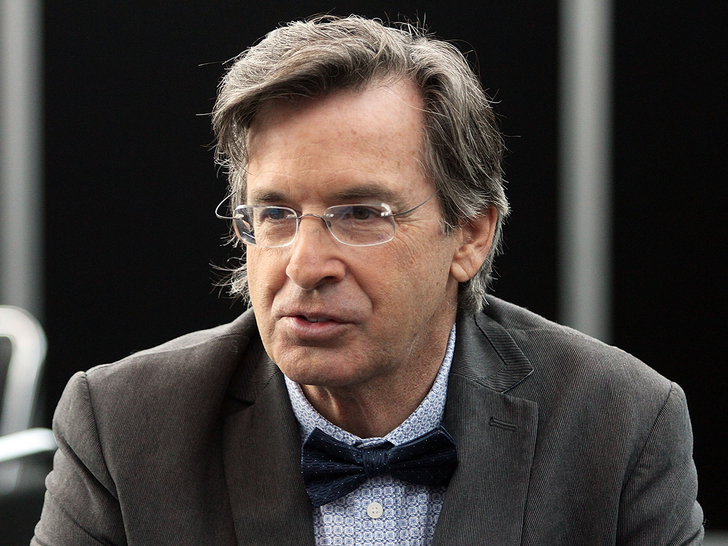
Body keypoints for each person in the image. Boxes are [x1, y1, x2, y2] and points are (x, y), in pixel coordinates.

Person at [33, 15, 703, 545]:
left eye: (360, 214)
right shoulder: (124, 427)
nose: (303, 266)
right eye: (275, 215)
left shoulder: (621, 426)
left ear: (470, 236)